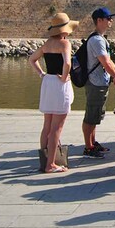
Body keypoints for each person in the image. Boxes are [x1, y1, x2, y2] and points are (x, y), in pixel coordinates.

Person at [29, 12, 78, 173]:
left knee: (47, 126)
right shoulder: (65, 44)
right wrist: (64, 78)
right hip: (58, 83)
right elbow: (68, 64)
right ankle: (51, 164)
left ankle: (44, 160)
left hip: (48, 81)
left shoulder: (47, 43)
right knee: (57, 127)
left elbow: (32, 59)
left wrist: (42, 74)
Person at [82, 7, 115, 159]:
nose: (111, 20)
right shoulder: (97, 40)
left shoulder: (100, 38)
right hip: (95, 82)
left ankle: (92, 142)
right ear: (99, 21)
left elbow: (109, 62)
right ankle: (88, 147)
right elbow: (106, 62)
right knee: (91, 115)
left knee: (96, 115)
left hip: (99, 82)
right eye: (108, 18)